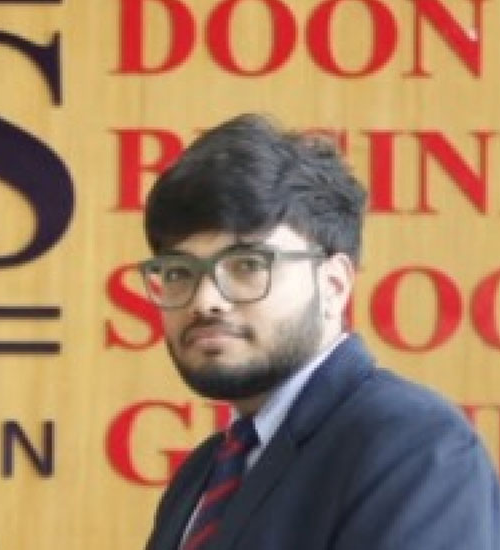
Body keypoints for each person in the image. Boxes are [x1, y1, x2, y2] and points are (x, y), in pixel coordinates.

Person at [139, 114, 500, 550]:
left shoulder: (415, 445)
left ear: (334, 284)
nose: (205, 300)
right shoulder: (200, 474)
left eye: (247, 265)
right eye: (178, 271)